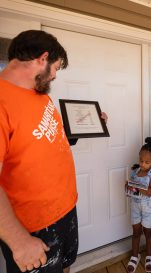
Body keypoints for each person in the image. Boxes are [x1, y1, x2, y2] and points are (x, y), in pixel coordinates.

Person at [0, 30, 78, 273]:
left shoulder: (39, 93)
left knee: (65, 267)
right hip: (32, 227)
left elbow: (46, 138)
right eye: (55, 67)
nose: (54, 75)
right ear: (42, 59)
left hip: (66, 209)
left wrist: (88, 124)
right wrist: (18, 241)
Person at [125, 137, 151, 273]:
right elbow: (130, 190)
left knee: (148, 232)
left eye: (147, 162)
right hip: (135, 206)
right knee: (136, 232)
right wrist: (128, 186)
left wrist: (137, 187)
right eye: (141, 161)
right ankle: (135, 255)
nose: (143, 164)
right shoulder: (134, 171)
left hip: (148, 208)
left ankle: (149, 255)